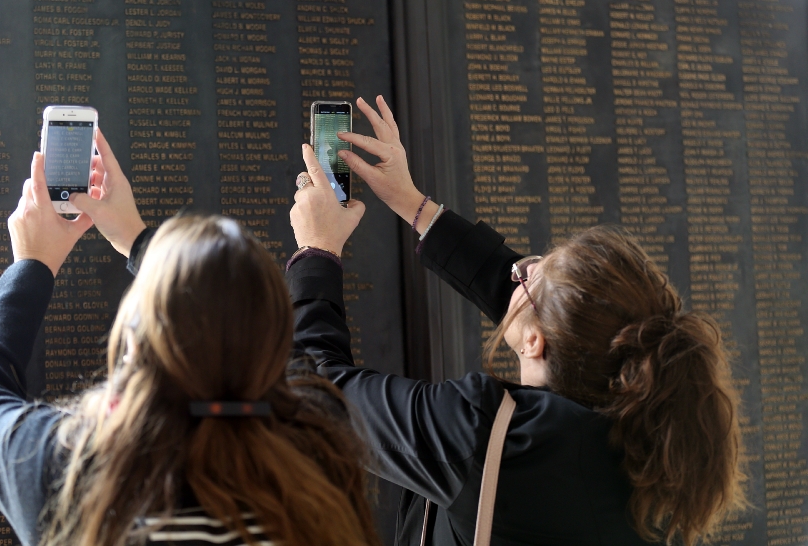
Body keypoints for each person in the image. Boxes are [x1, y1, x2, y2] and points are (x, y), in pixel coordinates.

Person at [284, 95, 747, 545]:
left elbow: (318, 393)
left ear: (534, 343)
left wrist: (317, 251)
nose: (518, 269)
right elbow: (551, 312)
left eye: (528, 276)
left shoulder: (486, 436)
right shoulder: (648, 445)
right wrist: (411, 202)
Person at [0, 149, 382, 546]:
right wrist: (140, 243)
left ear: (133, 342)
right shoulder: (315, 454)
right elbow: (298, 365)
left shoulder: (68, 469)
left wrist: (32, 263)